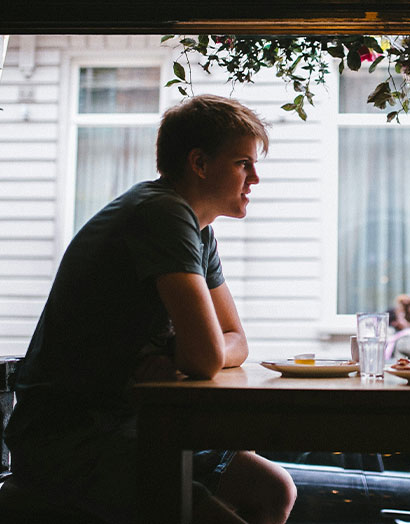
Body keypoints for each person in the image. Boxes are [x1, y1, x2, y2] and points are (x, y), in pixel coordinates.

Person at [5, 94, 296, 524]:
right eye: (243, 164)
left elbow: (236, 341)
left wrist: (178, 357)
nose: (255, 179)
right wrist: (194, 354)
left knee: (273, 488)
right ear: (198, 163)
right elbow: (209, 355)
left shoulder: (199, 231)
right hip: (71, 437)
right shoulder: (162, 212)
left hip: (132, 424)